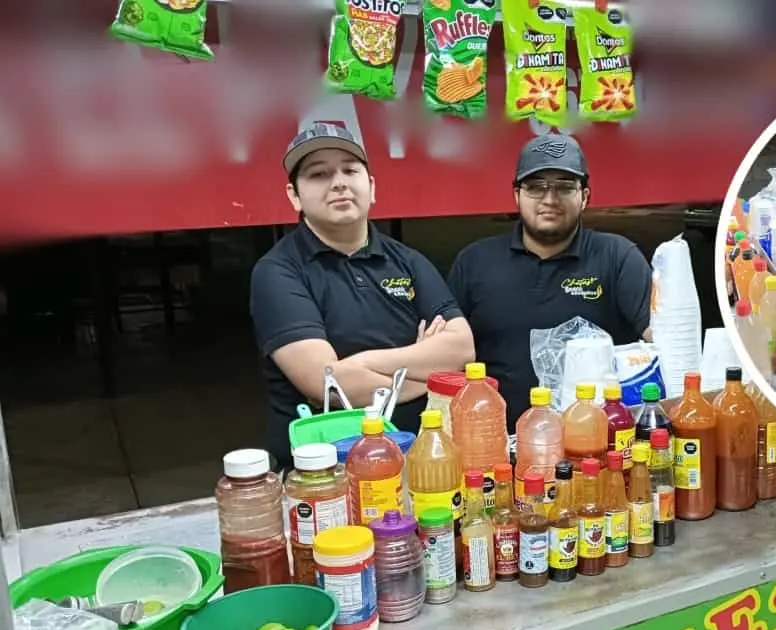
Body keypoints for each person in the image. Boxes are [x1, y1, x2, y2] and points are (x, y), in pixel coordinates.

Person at [250, 123, 475, 470]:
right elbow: (327, 384)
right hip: (326, 474)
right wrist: (427, 371)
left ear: (370, 187)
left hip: (421, 460)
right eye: (319, 174)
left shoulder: (409, 260)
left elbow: (461, 349)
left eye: (350, 170)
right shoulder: (278, 272)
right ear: (294, 195)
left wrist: (362, 363)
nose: (338, 182)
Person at [447, 134, 653, 430]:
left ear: (585, 196)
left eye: (565, 187)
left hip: (593, 443)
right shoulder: (475, 262)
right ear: (516, 195)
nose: (550, 199)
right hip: (493, 443)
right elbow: (447, 357)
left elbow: (659, 340)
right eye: (535, 187)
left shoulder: (618, 257)